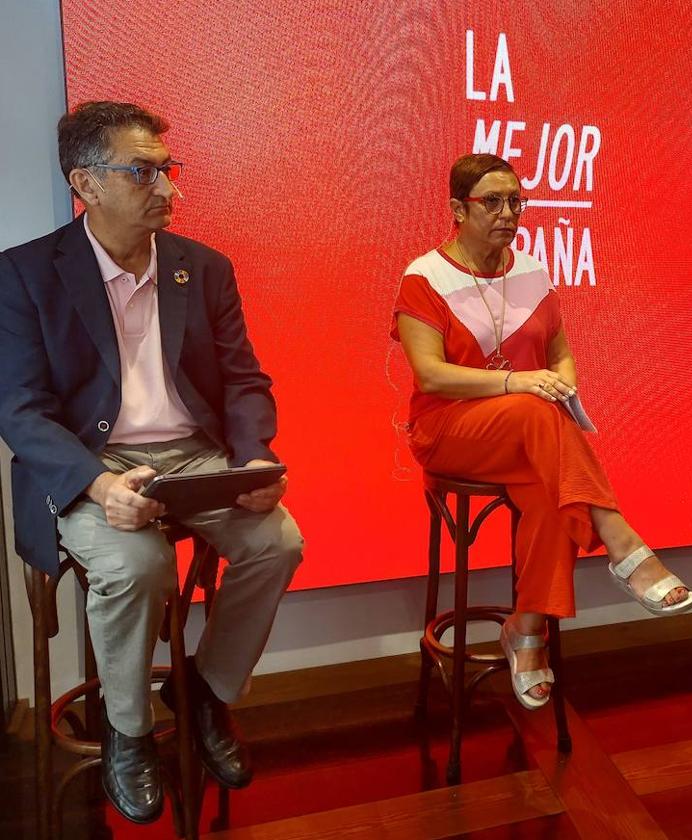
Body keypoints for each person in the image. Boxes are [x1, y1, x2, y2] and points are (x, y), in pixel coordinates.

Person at [0, 101, 303, 823]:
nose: (168, 188)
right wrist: (98, 483)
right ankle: (127, 733)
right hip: (90, 458)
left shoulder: (204, 269)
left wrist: (255, 459)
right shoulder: (24, 274)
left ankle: (205, 695)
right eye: (144, 172)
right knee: (139, 565)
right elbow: (20, 410)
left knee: (278, 542)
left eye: (168, 170)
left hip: (194, 455)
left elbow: (244, 381)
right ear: (87, 183)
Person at [392, 153, 692, 710]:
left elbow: (560, 354)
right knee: (537, 414)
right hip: (447, 429)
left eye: (515, 201)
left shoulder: (533, 270)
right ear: (458, 209)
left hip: (527, 439)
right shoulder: (425, 276)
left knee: (552, 492)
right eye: (492, 202)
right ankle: (621, 539)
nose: (508, 213)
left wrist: (559, 383)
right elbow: (431, 373)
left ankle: (525, 630)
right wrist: (522, 385)